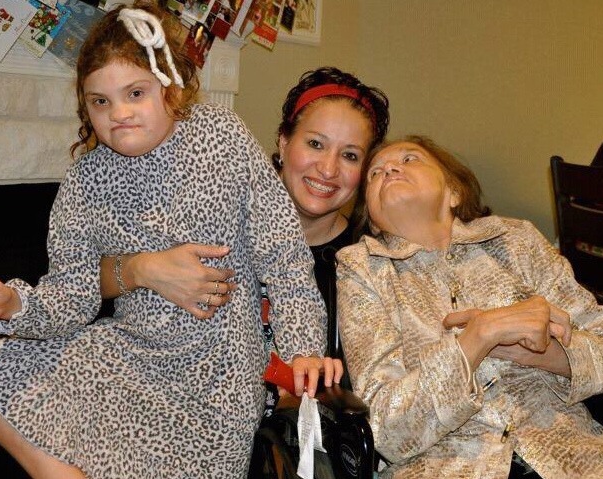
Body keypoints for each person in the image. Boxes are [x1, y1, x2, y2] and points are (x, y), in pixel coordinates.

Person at [0, 3, 330, 478]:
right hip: (128, 353)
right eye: (100, 101)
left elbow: (283, 255)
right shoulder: (85, 179)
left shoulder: (222, 135)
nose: (118, 113)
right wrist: (10, 303)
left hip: (218, 376)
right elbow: (70, 299)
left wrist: (303, 347)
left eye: (135, 92)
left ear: (170, 86)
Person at [337, 135, 603, 478]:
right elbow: (388, 432)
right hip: (443, 466)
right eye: (374, 174)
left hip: (571, 459)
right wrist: (478, 337)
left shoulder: (517, 241)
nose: (389, 168)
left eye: (410, 159)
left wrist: (543, 355)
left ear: (454, 192)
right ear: (374, 220)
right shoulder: (362, 269)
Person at [99, 66, 391, 382]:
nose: (328, 168)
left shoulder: (368, 264)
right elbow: (77, 287)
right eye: (316, 144)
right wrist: (140, 269)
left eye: (349, 156)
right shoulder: (208, 212)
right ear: (283, 142)